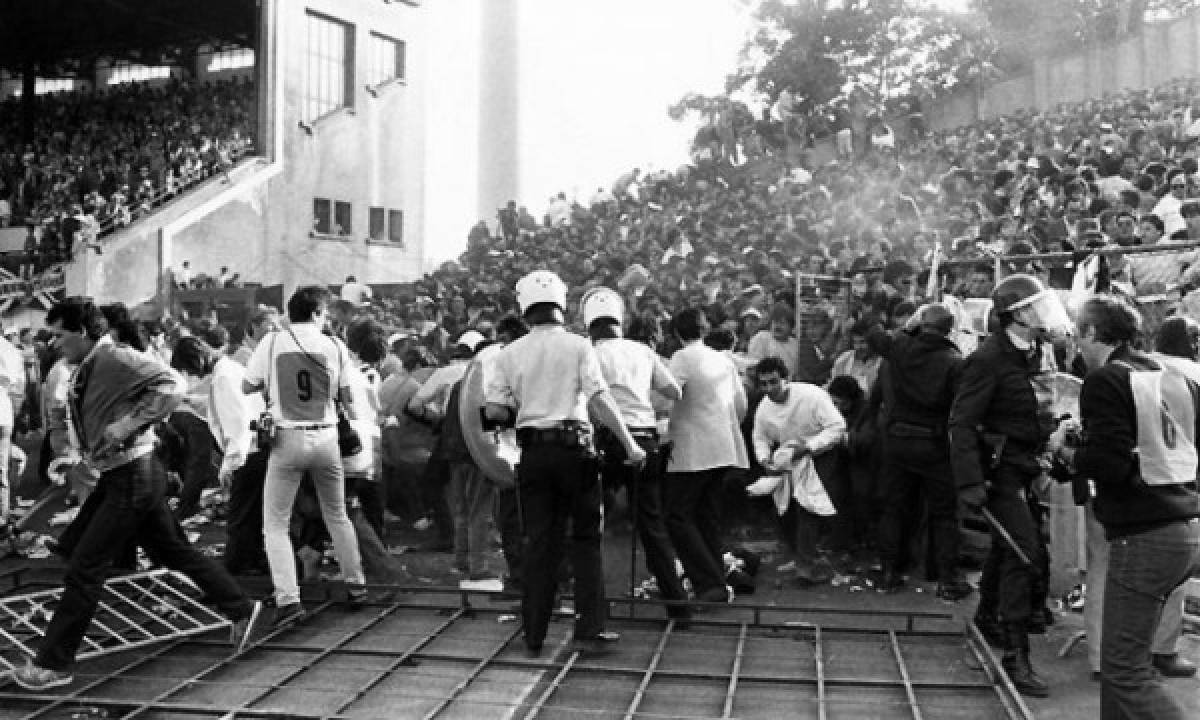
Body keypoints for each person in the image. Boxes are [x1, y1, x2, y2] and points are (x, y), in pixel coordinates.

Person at [7, 298, 263, 691]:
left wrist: (127, 424)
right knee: (172, 549)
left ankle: (54, 664)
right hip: (124, 473)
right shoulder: (89, 364)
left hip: (133, 474)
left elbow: (172, 384)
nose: (54, 344)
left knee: (85, 568)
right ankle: (241, 607)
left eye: (60, 336)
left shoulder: (116, 357)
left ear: (82, 332)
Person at [485, 270, 646, 656]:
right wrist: (630, 445)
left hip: (534, 454)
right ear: (561, 305)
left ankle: (534, 633)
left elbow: (493, 410)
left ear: (525, 310)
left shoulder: (509, 354)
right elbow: (598, 399)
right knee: (586, 541)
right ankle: (588, 630)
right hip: (575, 450)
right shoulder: (578, 346)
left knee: (539, 542)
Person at [1057, 297, 1200, 719]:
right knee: (1127, 666)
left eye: (1078, 332)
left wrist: (1066, 452)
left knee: (1124, 670)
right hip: (1184, 524)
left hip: (1143, 534)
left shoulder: (1105, 380)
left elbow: (1108, 464)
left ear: (1090, 332)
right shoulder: (1171, 375)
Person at [949, 273, 1073, 698]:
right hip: (998, 472)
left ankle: (988, 615)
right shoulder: (987, 359)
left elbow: (1043, 405)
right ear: (1017, 314)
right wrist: (969, 482)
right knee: (1025, 553)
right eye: (1037, 306)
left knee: (1010, 546)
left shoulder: (1039, 351)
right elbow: (961, 422)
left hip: (1027, 464)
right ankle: (1016, 655)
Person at [243, 286, 366, 627]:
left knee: (276, 525)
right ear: (317, 312)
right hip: (326, 437)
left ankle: (289, 601)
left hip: (287, 440)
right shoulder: (335, 345)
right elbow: (349, 401)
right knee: (337, 513)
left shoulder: (272, 342)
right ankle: (356, 584)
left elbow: (247, 385)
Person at [581, 287, 689, 618]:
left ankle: (591, 604)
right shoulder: (642, 351)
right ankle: (678, 606)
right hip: (645, 438)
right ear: (619, 320)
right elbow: (674, 389)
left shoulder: (587, 352)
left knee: (589, 521)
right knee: (652, 524)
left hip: (604, 439)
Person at [872, 303, 969, 601]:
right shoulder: (954, 361)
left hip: (898, 441)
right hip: (934, 444)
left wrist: (907, 326)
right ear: (948, 329)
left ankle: (889, 572)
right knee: (943, 514)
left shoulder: (901, 346)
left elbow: (875, 334)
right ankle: (947, 580)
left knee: (893, 508)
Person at [665, 305, 749, 603]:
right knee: (706, 515)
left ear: (676, 333)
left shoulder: (681, 358)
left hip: (692, 449)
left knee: (678, 515)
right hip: (723, 446)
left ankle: (707, 582)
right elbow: (740, 406)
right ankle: (716, 575)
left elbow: (667, 395)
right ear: (705, 329)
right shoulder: (722, 360)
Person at [171, 337, 269, 575]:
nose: (193, 375)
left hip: (248, 452)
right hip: (257, 449)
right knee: (252, 512)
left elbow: (236, 423)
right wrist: (190, 401)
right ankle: (254, 560)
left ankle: (237, 565)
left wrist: (230, 464)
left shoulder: (224, 378)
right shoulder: (231, 370)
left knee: (240, 513)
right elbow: (219, 408)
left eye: (189, 369)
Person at [750, 356, 845, 584]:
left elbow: (837, 426)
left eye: (774, 382)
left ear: (787, 378)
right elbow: (760, 437)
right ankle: (802, 555)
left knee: (807, 507)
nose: (769, 389)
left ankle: (806, 567)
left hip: (820, 454)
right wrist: (765, 460)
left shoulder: (811, 395)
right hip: (788, 457)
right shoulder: (764, 407)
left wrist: (809, 447)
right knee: (784, 507)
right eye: (763, 384)